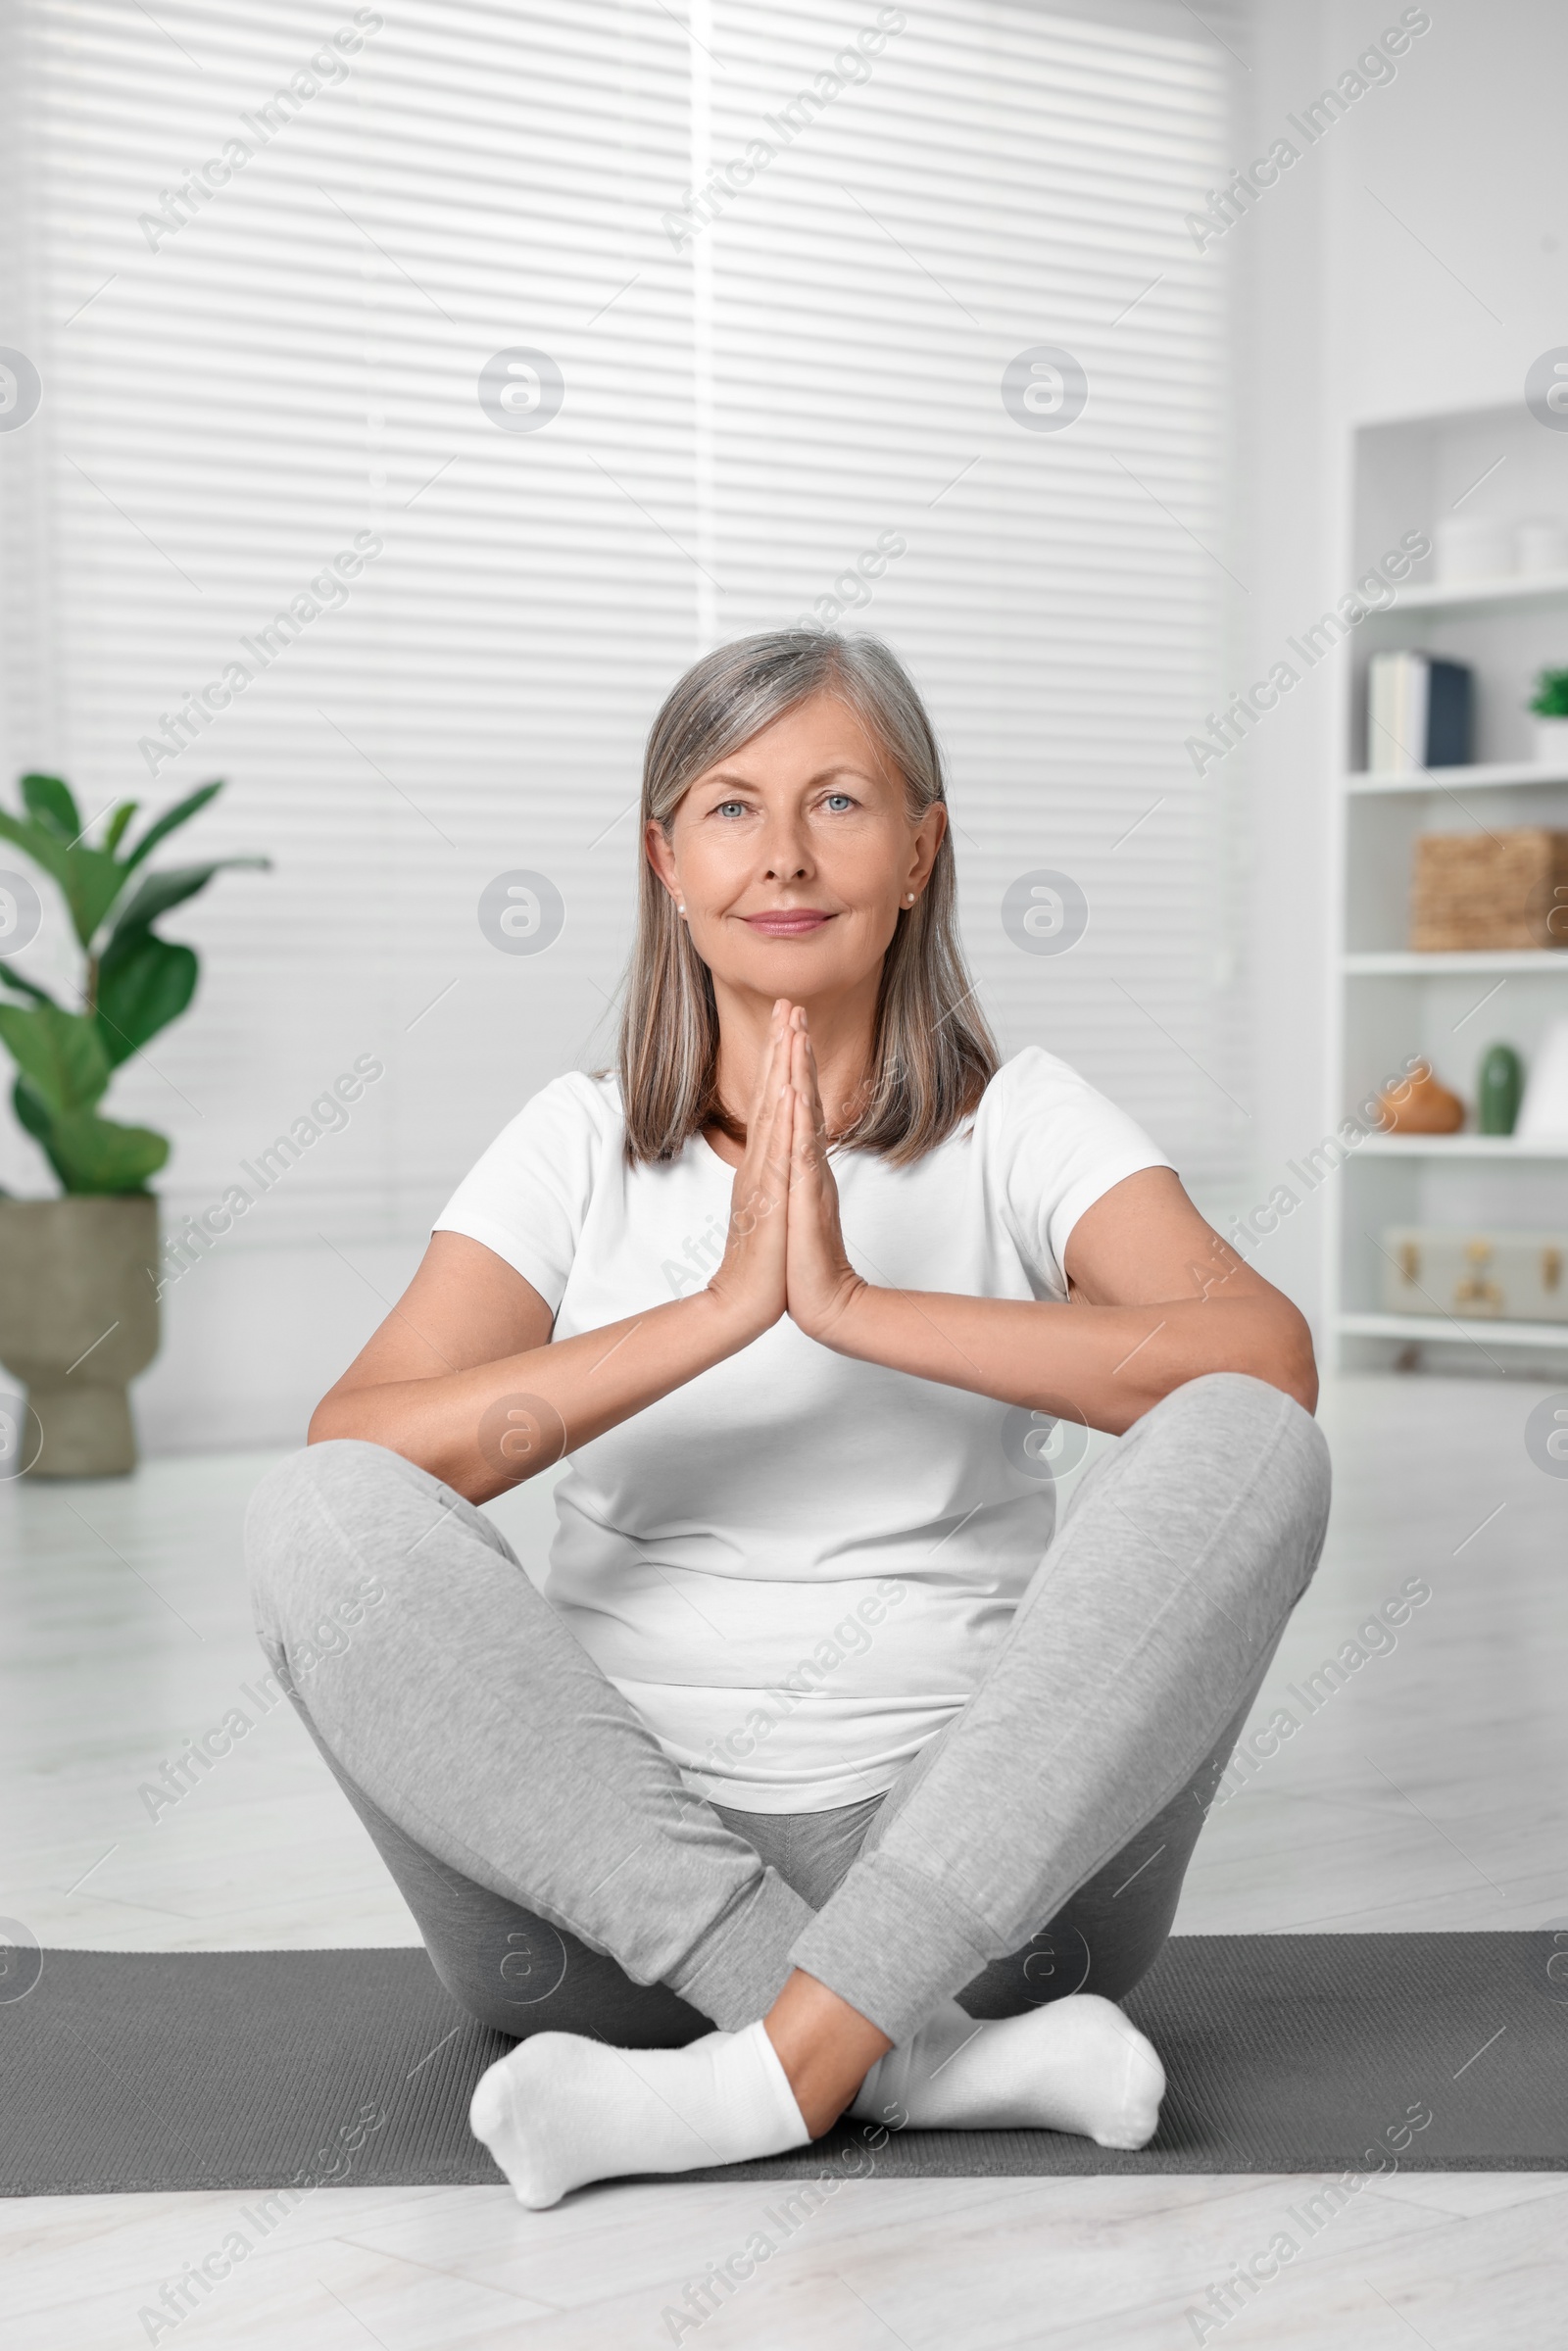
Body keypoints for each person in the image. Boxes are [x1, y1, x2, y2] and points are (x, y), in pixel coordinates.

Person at [246, 630, 1329, 2210]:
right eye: (733, 807)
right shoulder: (575, 1142)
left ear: (919, 849)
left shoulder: (1019, 1120)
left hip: (991, 1896)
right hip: (601, 1921)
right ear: (665, 859)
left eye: (840, 800)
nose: (787, 855)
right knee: (309, 1511)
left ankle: (757, 2078)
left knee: (1255, 1440)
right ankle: (894, 2058)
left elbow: (1265, 1357)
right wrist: (712, 1316)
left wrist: (853, 1308)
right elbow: (367, 1447)